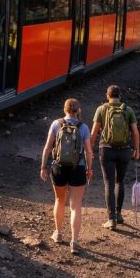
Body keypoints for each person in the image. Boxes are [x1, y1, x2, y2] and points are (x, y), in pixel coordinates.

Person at [39, 98, 94, 255]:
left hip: (58, 167)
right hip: (78, 168)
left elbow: (48, 147)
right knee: (75, 206)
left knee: (59, 200)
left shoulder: (56, 124)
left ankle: (58, 233)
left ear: (64, 109)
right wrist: (89, 169)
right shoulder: (83, 127)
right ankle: (74, 242)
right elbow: (89, 151)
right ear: (79, 111)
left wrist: (43, 166)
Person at [91, 85, 140, 231]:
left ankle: (111, 219)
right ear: (120, 96)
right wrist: (136, 149)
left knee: (109, 183)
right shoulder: (128, 110)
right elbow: (135, 133)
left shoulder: (102, 109)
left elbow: (94, 132)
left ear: (107, 96)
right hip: (124, 150)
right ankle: (118, 214)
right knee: (120, 181)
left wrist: (89, 149)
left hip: (106, 149)